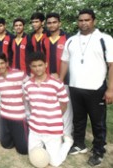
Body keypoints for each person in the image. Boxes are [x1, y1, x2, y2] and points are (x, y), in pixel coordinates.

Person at [60, 9, 113, 166]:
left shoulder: (105, 39)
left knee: (98, 122)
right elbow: (64, 62)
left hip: (96, 89)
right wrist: (60, 82)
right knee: (79, 119)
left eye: (87, 20)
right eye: (81, 20)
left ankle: (98, 150)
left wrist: (110, 89)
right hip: (75, 87)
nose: (83, 23)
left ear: (94, 21)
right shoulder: (71, 41)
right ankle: (79, 144)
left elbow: (112, 65)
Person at [24, 52, 73, 167]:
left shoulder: (57, 84)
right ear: (30, 67)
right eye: (34, 66)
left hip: (52, 130)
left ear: (46, 65)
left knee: (54, 163)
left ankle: (67, 142)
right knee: (35, 157)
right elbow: (29, 106)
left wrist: (53, 117)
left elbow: (64, 105)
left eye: (40, 65)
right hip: (35, 129)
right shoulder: (27, 85)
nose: (37, 69)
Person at [41, 13, 73, 140]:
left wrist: (60, 75)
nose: (52, 25)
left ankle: (66, 135)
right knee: (50, 106)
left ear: (60, 23)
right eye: (49, 23)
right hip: (48, 79)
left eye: (54, 22)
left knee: (65, 108)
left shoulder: (68, 38)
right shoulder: (45, 40)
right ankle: (51, 131)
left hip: (65, 79)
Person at [0, 52, 28, 154]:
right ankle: (16, 136)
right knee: (6, 145)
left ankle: (23, 135)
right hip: (4, 115)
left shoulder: (19, 73)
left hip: (18, 116)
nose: (0, 66)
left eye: (2, 63)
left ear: (7, 63)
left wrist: (26, 95)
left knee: (23, 150)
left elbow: (30, 83)